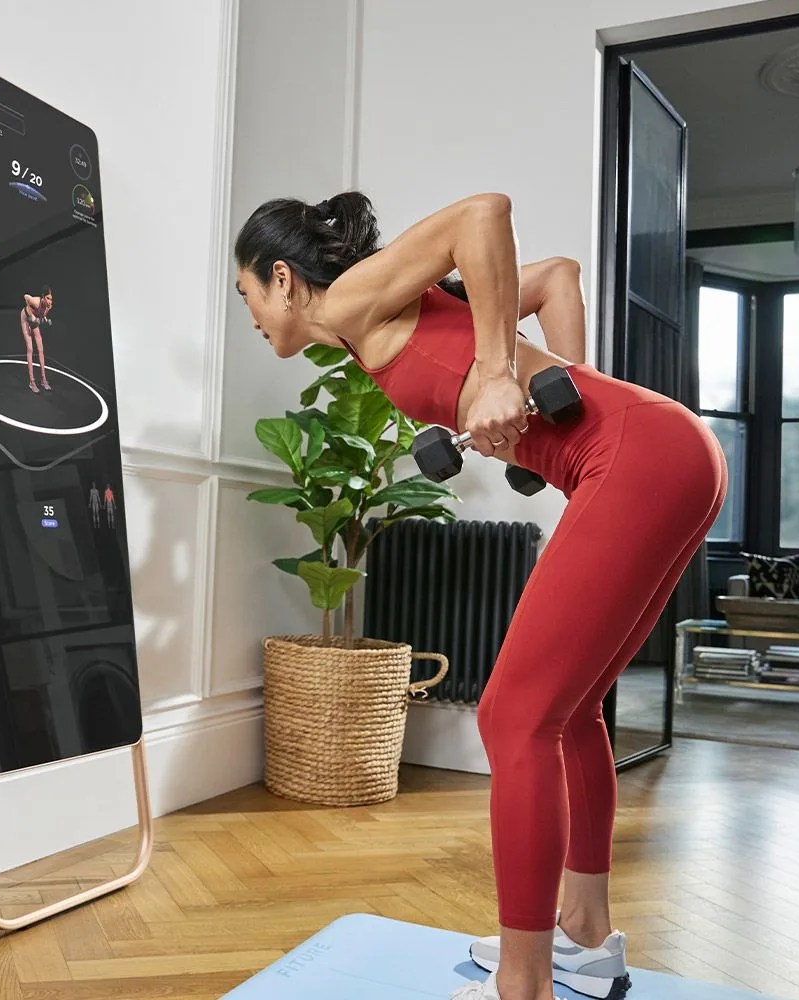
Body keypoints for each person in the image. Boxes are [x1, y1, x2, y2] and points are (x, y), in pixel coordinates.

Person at [233, 192, 726, 1000]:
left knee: (511, 716)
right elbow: (558, 276)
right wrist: (558, 384)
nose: (251, 314)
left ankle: (521, 984)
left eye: (247, 293)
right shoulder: (409, 311)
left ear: (283, 280)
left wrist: (503, 369)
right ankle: (583, 938)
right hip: (670, 449)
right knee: (569, 713)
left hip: (638, 455)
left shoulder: (353, 296)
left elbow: (483, 214)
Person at [20, 286, 55, 393]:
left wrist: (44, 319)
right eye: (48, 298)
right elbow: (26, 296)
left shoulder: (49, 307)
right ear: (43, 297)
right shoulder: (36, 301)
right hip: (26, 318)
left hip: (33, 320)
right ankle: (32, 382)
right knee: (30, 349)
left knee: (41, 349)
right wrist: (31, 316)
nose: (50, 301)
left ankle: (43, 379)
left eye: (51, 299)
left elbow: (41, 315)